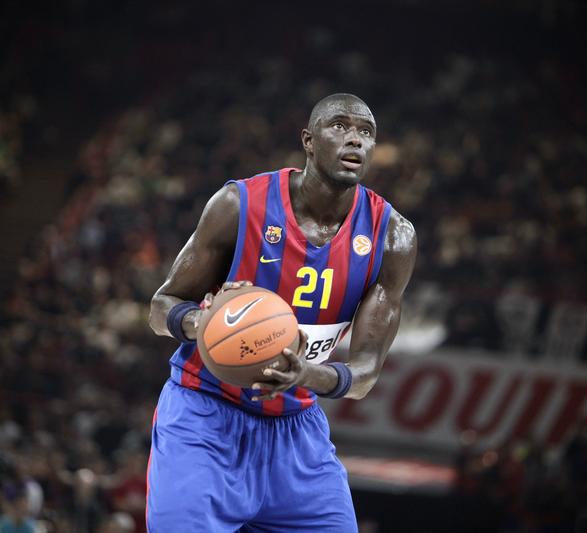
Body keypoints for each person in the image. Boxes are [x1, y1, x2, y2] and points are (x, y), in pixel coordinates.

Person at [147, 93, 417, 532]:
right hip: (205, 415)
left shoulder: (393, 238)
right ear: (308, 140)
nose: (355, 139)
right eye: (340, 126)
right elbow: (161, 307)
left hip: (296, 431)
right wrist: (200, 322)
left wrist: (305, 375)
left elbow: (365, 374)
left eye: (366, 132)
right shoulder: (239, 204)